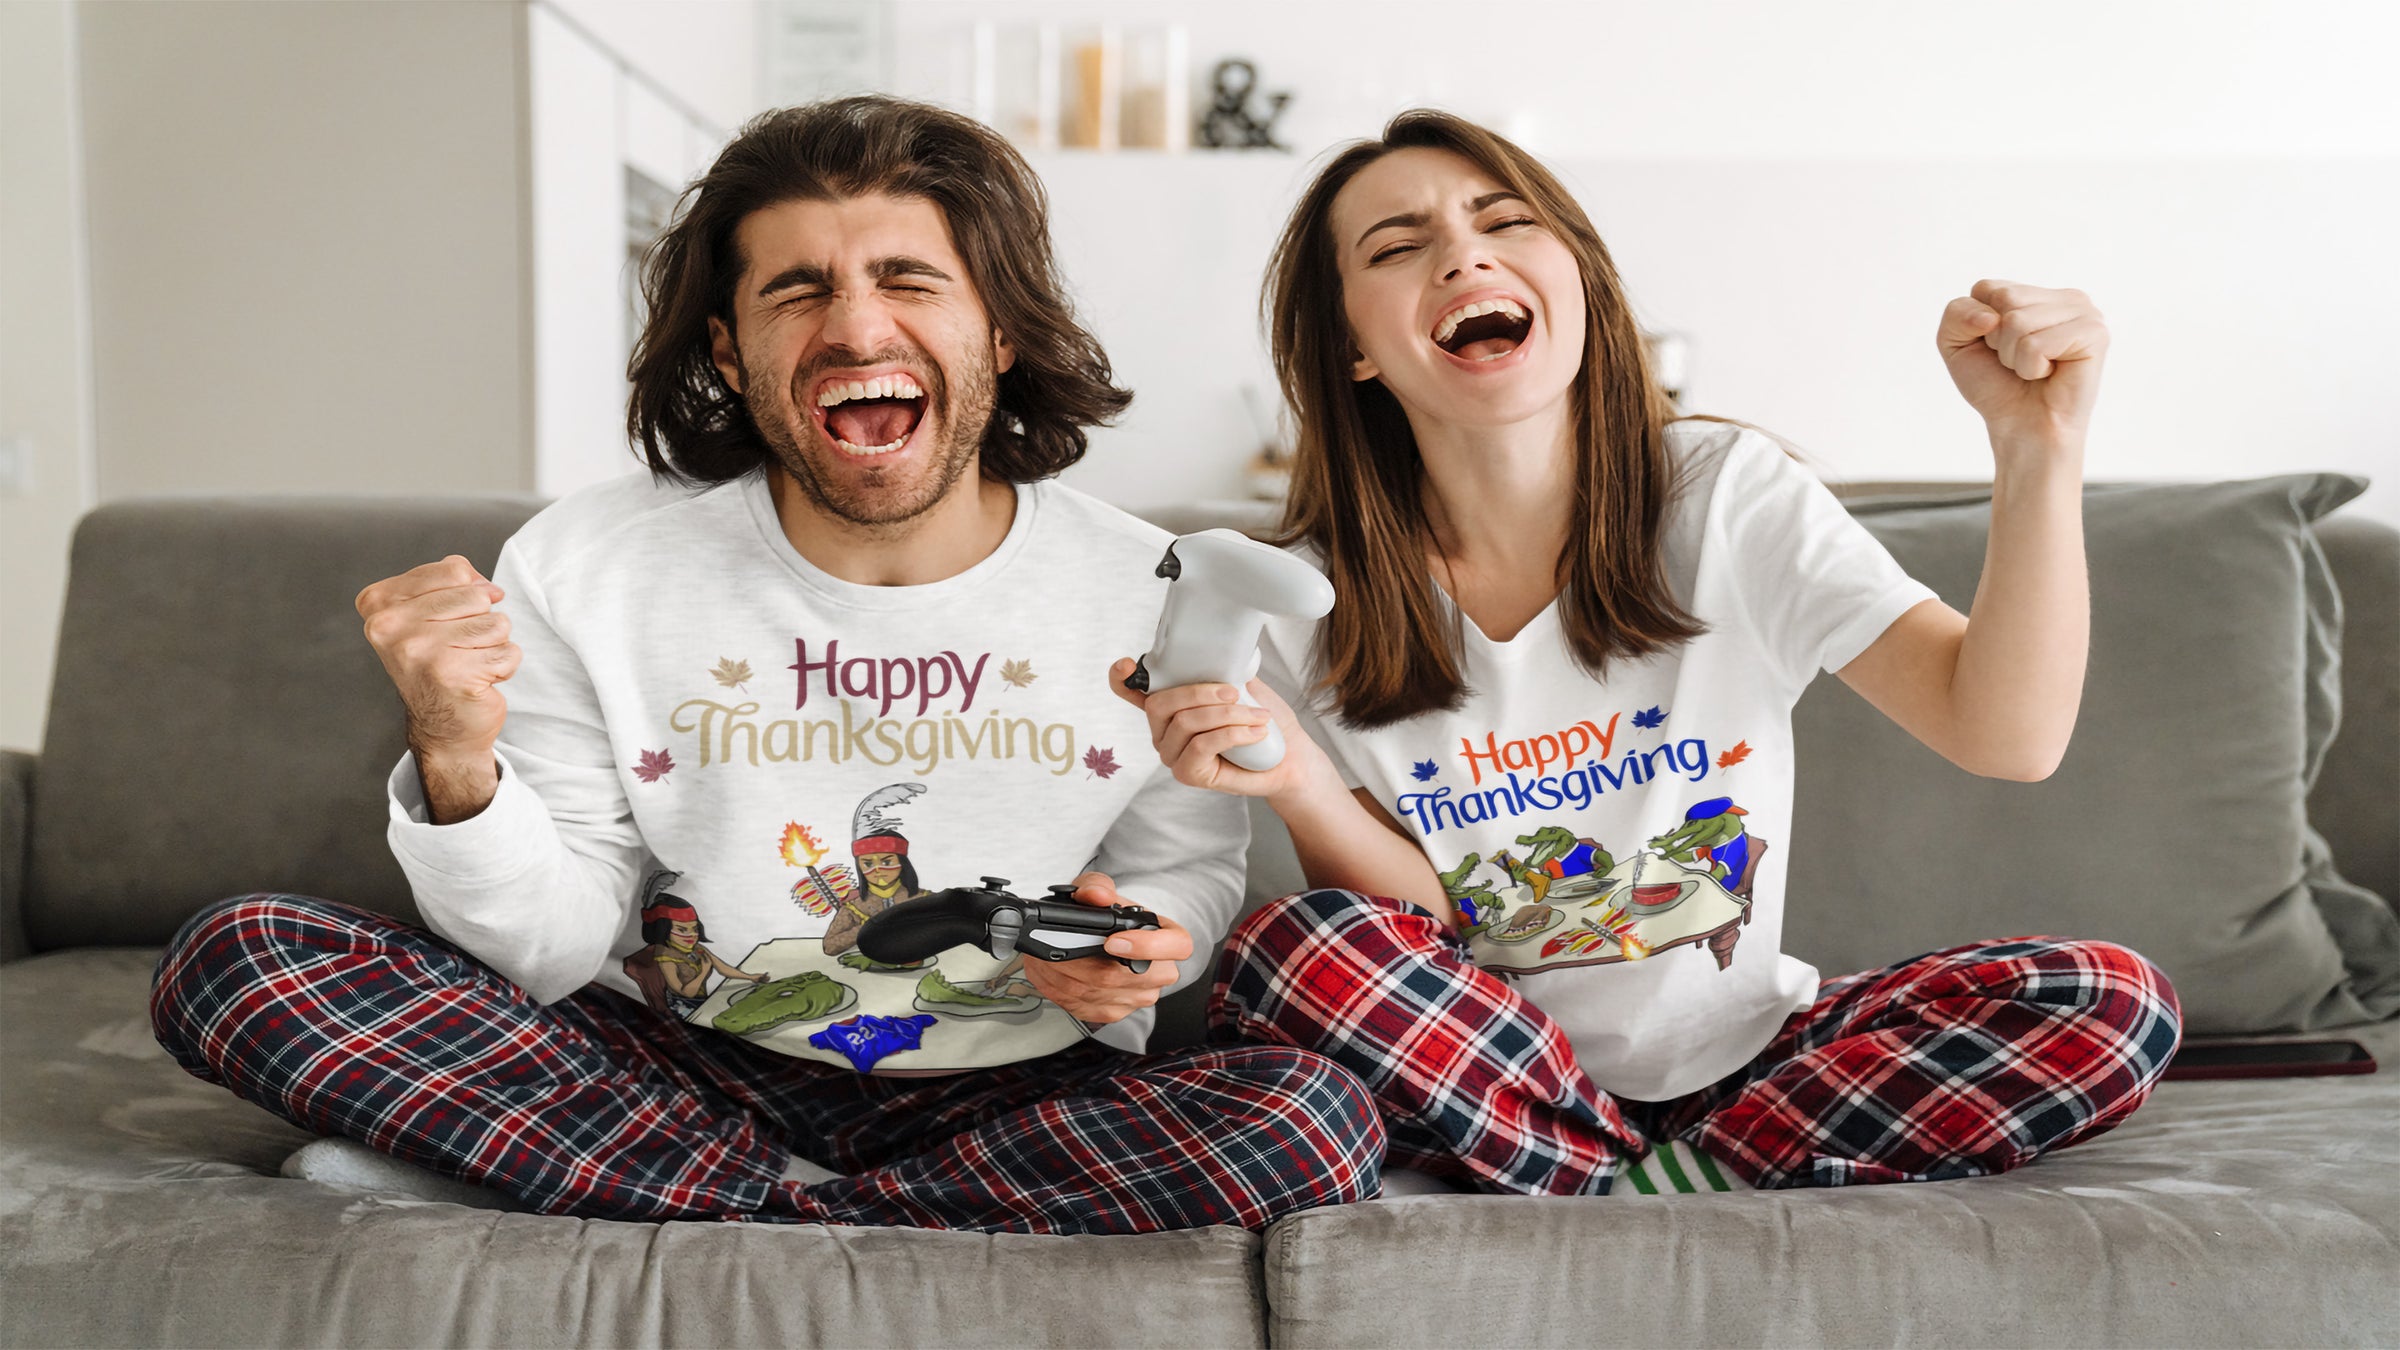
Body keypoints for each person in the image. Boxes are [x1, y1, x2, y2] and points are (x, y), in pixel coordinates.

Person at [148, 95, 1381, 1233]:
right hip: (672, 1063)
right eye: (797, 291)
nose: (854, 327)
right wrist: (457, 757)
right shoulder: (591, 561)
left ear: (999, 332)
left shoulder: (1147, 584)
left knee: (1312, 1119)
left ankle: (664, 1198)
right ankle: (834, 1207)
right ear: (731, 354)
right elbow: (550, 950)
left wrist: (1139, 953)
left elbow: (1179, 878)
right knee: (238, 957)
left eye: (908, 278)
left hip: (1012, 1085)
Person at [1113, 110, 2183, 1196]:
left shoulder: (1726, 498)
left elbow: (2008, 734)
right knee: (1300, 949)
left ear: (1577, 278)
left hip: (1754, 1065)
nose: (1463, 254)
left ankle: (1619, 1186)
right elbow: (1415, 924)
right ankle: (1658, 1181)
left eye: (1505, 221)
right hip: (1488, 1073)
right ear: (1349, 345)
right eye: (1397, 246)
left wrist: (2037, 443)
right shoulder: (1297, 592)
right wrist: (1298, 784)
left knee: (2110, 998)